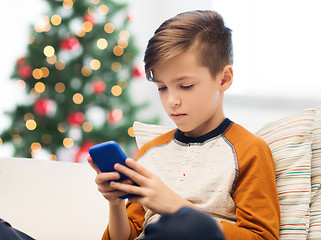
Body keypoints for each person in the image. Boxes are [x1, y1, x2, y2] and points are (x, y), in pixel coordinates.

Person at [88, 10, 280, 240]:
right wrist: (115, 203)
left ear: (224, 78)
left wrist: (176, 207)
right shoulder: (151, 151)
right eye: (162, 87)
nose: (171, 101)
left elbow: (262, 237)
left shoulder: (249, 151)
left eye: (186, 85)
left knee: (186, 228)